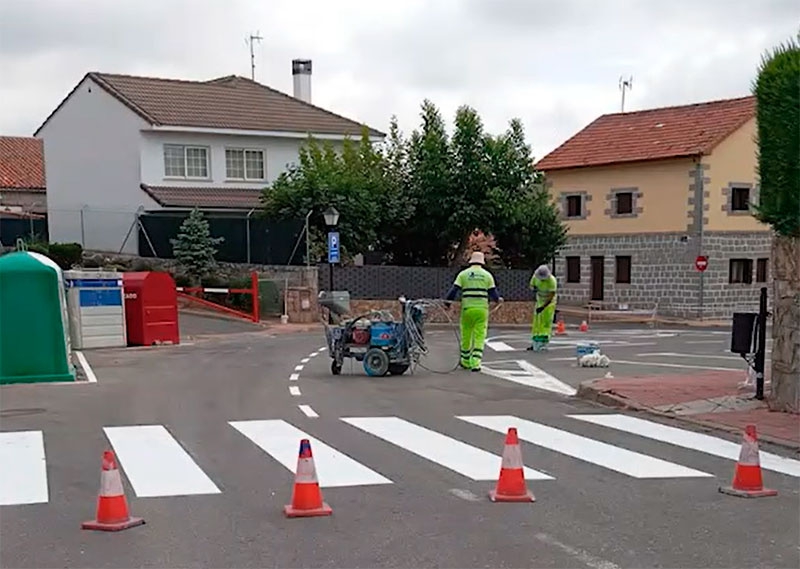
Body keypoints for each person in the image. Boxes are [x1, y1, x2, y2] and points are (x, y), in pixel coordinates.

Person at [445, 251, 503, 371]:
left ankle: (465, 361)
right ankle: (475, 362)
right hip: (482, 310)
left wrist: (447, 303)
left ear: (471, 261)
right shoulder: (487, 275)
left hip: (467, 309)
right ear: (482, 262)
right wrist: (498, 300)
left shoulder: (463, 274)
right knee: (479, 335)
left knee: (466, 335)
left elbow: (453, 291)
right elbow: (493, 293)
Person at [528, 264, 558, 352]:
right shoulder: (535, 277)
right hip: (539, 300)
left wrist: (543, 307)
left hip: (549, 303)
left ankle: (544, 343)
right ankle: (535, 343)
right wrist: (533, 288)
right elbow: (531, 285)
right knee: (537, 322)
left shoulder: (552, 281)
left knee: (546, 323)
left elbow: (551, 296)